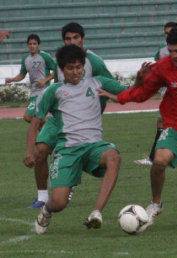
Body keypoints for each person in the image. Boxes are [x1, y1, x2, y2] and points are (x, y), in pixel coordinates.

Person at [98, 28, 177, 228]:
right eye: (170, 51)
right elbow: (143, 92)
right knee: (159, 160)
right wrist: (123, 94)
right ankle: (156, 203)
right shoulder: (164, 67)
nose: (174, 56)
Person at [24, 44, 128, 234]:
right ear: (62, 70)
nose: (76, 72)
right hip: (67, 150)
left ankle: (96, 213)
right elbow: (34, 122)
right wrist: (29, 152)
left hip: (94, 146)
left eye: (79, 67)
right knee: (59, 202)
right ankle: (47, 209)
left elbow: (128, 92)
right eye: (71, 68)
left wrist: (144, 80)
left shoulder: (98, 83)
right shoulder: (54, 91)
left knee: (113, 156)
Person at [28, 22, 114, 208]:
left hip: (81, 120)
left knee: (79, 149)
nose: (72, 41)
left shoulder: (94, 61)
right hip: (58, 117)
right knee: (40, 150)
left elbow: (108, 85)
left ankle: (67, 175)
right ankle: (42, 196)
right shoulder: (61, 59)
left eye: (76, 38)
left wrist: (97, 108)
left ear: (83, 39)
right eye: (68, 38)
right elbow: (58, 90)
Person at [135, 22, 177, 166]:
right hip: (167, 91)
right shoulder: (161, 51)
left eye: (171, 33)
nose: (168, 36)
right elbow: (157, 69)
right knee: (165, 122)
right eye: (166, 33)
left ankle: (154, 157)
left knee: (164, 121)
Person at [5, 34, 56, 123]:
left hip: (43, 92)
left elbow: (57, 70)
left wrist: (45, 81)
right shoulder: (26, 58)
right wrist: (12, 79)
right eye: (30, 44)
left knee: (28, 117)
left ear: (38, 45)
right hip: (33, 93)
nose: (32, 46)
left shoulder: (44, 56)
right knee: (38, 120)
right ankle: (46, 133)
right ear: (27, 45)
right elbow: (22, 74)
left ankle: (49, 125)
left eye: (34, 44)